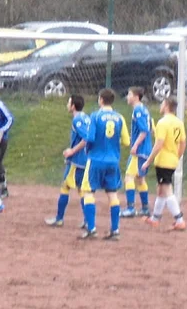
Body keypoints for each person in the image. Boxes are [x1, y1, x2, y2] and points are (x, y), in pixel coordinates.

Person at [80, 88, 130, 241]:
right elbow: (126, 141)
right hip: (113, 161)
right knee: (112, 194)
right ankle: (115, 230)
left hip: (96, 159)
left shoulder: (95, 116)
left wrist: (88, 150)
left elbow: (90, 138)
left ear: (101, 100)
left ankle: (92, 229)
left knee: (88, 192)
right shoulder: (120, 118)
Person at [45, 95, 92, 228]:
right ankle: (87, 220)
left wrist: (72, 151)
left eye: (68, 102)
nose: (67, 105)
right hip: (86, 159)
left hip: (77, 161)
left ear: (73, 106)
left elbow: (86, 138)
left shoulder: (77, 120)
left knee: (65, 186)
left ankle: (59, 219)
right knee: (81, 189)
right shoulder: (86, 117)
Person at [141, 96, 187, 231]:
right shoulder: (178, 122)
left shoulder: (163, 122)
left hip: (163, 161)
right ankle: (155, 218)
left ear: (166, 106)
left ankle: (179, 220)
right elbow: (183, 143)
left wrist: (148, 161)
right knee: (161, 189)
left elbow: (159, 144)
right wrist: (177, 156)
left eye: (162, 104)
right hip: (172, 159)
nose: (160, 106)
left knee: (167, 189)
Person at [121, 87, 153, 218]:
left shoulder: (138, 110)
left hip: (140, 150)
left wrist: (135, 145)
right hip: (146, 149)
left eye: (129, 94)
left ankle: (130, 208)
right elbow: (150, 128)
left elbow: (144, 130)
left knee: (129, 177)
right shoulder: (144, 109)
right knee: (140, 178)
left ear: (136, 96)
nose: (127, 97)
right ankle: (145, 208)